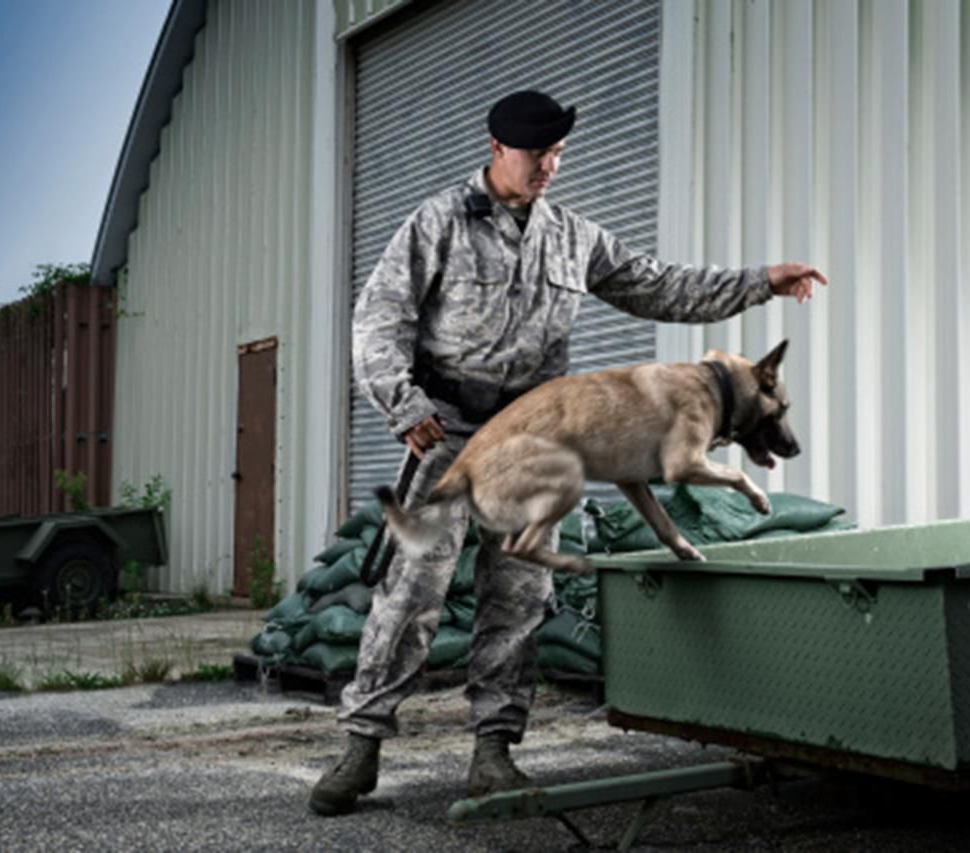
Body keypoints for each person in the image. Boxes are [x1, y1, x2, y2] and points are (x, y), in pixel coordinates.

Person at [309, 90, 827, 816]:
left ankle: (493, 752)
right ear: (497, 149)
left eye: (558, 156)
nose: (549, 168)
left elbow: (660, 285)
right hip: (447, 428)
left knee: (520, 595)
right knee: (414, 590)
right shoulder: (439, 223)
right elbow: (381, 318)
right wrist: (405, 404)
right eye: (536, 155)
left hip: (543, 437)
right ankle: (361, 747)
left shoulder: (573, 237)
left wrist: (760, 280)